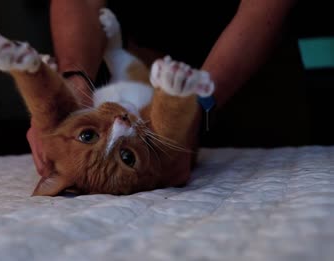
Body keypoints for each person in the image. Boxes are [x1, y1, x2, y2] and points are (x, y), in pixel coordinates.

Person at [27, 0, 310, 177]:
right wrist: (74, 83)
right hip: (144, 66)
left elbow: (261, 9)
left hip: (250, 79)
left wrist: (196, 105)